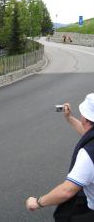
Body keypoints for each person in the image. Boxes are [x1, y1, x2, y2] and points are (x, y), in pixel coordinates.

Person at [26, 93, 94, 221]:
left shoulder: (88, 154)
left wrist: (38, 202)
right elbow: (88, 133)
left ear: (85, 118)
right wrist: (69, 118)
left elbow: (67, 190)